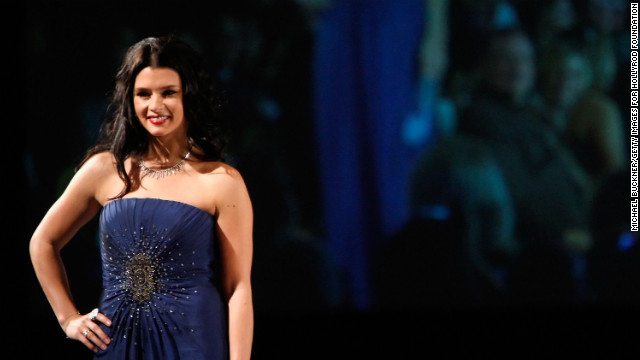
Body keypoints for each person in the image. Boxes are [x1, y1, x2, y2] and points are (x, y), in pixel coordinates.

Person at [29, 36, 253, 359]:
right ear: (130, 100)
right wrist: (68, 319)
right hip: (117, 344)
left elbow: (238, 288)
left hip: (195, 345)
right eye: (143, 94)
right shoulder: (105, 170)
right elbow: (42, 243)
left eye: (168, 93)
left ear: (189, 97)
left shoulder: (222, 182)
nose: (155, 106)